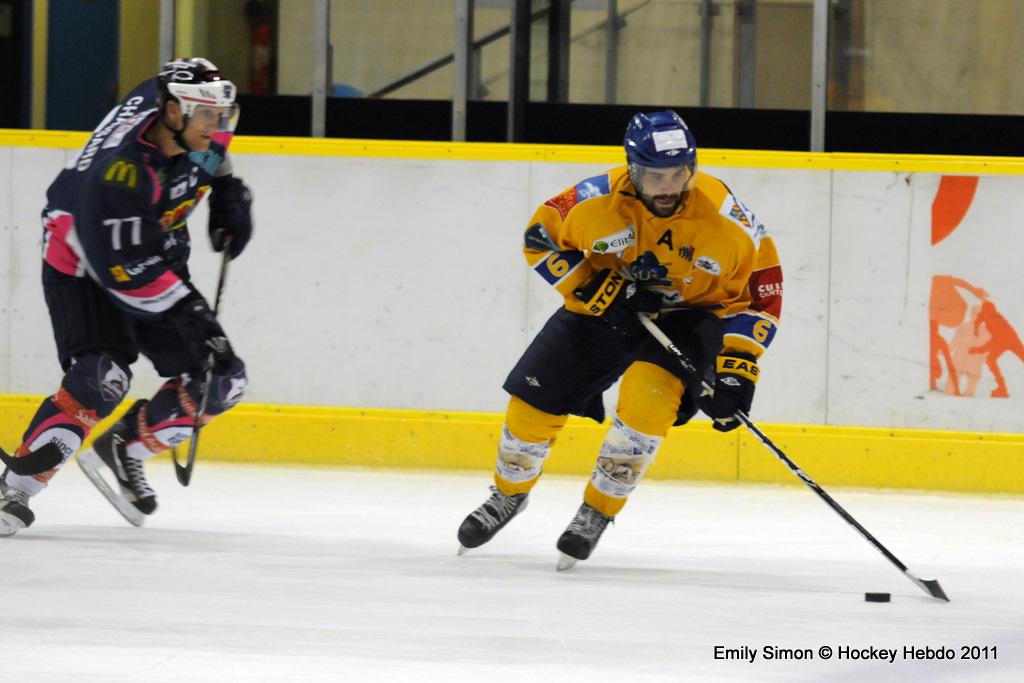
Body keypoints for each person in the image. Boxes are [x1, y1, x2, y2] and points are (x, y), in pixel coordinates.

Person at [456, 111, 783, 569]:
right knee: (532, 404)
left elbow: (762, 295)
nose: (667, 187)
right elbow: (539, 238)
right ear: (632, 169)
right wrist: (598, 289)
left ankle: (598, 510)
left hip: (689, 318)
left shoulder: (730, 220)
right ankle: (509, 494)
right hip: (605, 308)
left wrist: (737, 368)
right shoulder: (592, 200)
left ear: (692, 168)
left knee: (645, 409)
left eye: (678, 174)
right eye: (654, 176)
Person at [0, 58, 253, 536]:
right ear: (173, 113)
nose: (217, 127)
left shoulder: (191, 118)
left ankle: (124, 448)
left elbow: (213, 153)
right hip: (82, 257)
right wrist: (197, 320)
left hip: (149, 244)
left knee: (222, 382)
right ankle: (15, 488)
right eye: (207, 117)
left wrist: (226, 189)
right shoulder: (119, 177)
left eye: (222, 116)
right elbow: (131, 275)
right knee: (102, 377)